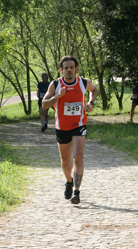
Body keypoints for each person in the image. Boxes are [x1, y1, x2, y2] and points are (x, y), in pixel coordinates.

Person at [42, 56, 97, 205]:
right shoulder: (55, 85)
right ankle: (68, 181)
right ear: (61, 70)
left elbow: (94, 90)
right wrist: (57, 96)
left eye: (72, 67)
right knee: (66, 161)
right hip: (62, 127)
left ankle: (76, 191)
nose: (69, 70)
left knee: (78, 157)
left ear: (76, 69)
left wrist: (91, 103)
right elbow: (45, 104)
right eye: (66, 67)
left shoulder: (83, 83)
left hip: (79, 124)